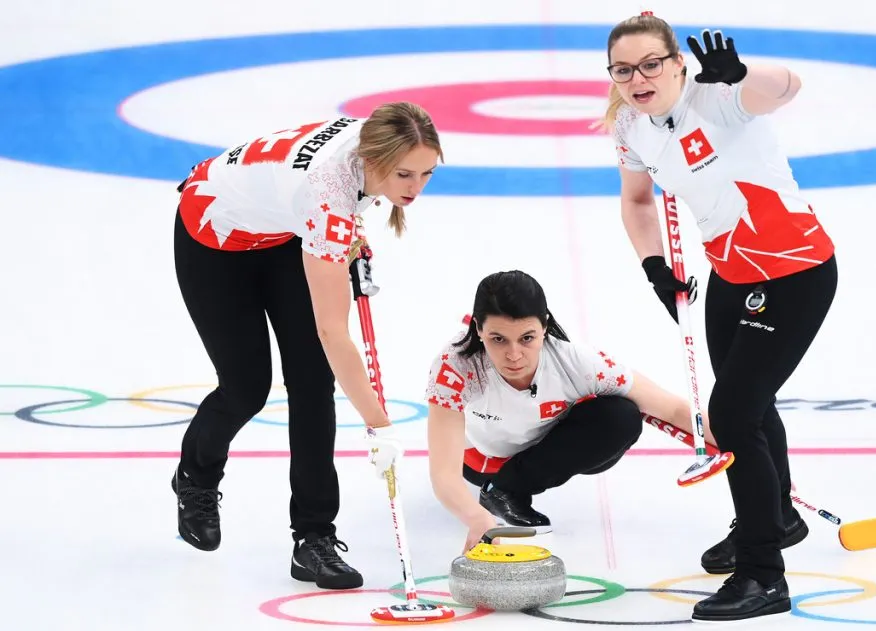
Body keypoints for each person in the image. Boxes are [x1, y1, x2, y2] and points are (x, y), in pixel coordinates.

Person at [600, 12, 839, 623]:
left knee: (730, 415)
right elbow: (635, 201)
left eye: (651, 63)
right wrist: (655, 267)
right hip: (730, 277)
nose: (638, 77)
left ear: (678, 61)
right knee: (750, 407)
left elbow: (789, 87)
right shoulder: (630, 124)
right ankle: (776, 518)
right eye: (623, 69)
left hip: (794, 274)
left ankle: (763, 575)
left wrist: (744, 72)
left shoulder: (720, 96)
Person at [170, 102, 443, 590]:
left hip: (282, 232)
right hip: (213, 236)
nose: (415, 187)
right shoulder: (327, 194)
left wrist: (349, 237)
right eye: (404, 174)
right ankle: (195, 477)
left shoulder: (372, 142)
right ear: (374, 157)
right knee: (246, 388)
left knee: (313, 383)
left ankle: (314, 539)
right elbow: (333, 331)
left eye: (426, 173)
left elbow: (331, 209)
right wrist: (379, 425)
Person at [424, 270, 708, 554]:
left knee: (621, 417)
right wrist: (477, 518)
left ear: (545, 326)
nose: (514, 355)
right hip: (480, 463)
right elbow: (444, 475)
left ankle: (512, 487)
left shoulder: (576, 362)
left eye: (527, 338)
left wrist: (743, 442)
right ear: (478, 329)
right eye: (498, 339)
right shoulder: (455, 366)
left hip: (542, 453)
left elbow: (673, 409)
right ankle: (497, 492)